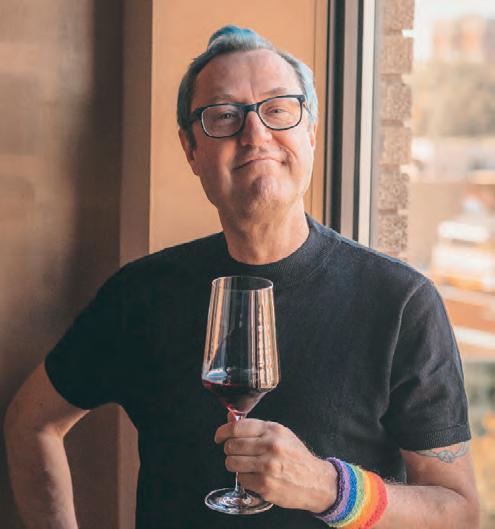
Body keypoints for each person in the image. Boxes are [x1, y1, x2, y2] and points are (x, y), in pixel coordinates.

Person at [4, 25, 479, 529]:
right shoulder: (141, 296)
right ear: (191, 150)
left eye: (278, 109)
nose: (255, 134)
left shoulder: (401, 302)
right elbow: (31, 424)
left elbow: (459, 513)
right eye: (224, 116)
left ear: (311, 134)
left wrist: (328, 488)